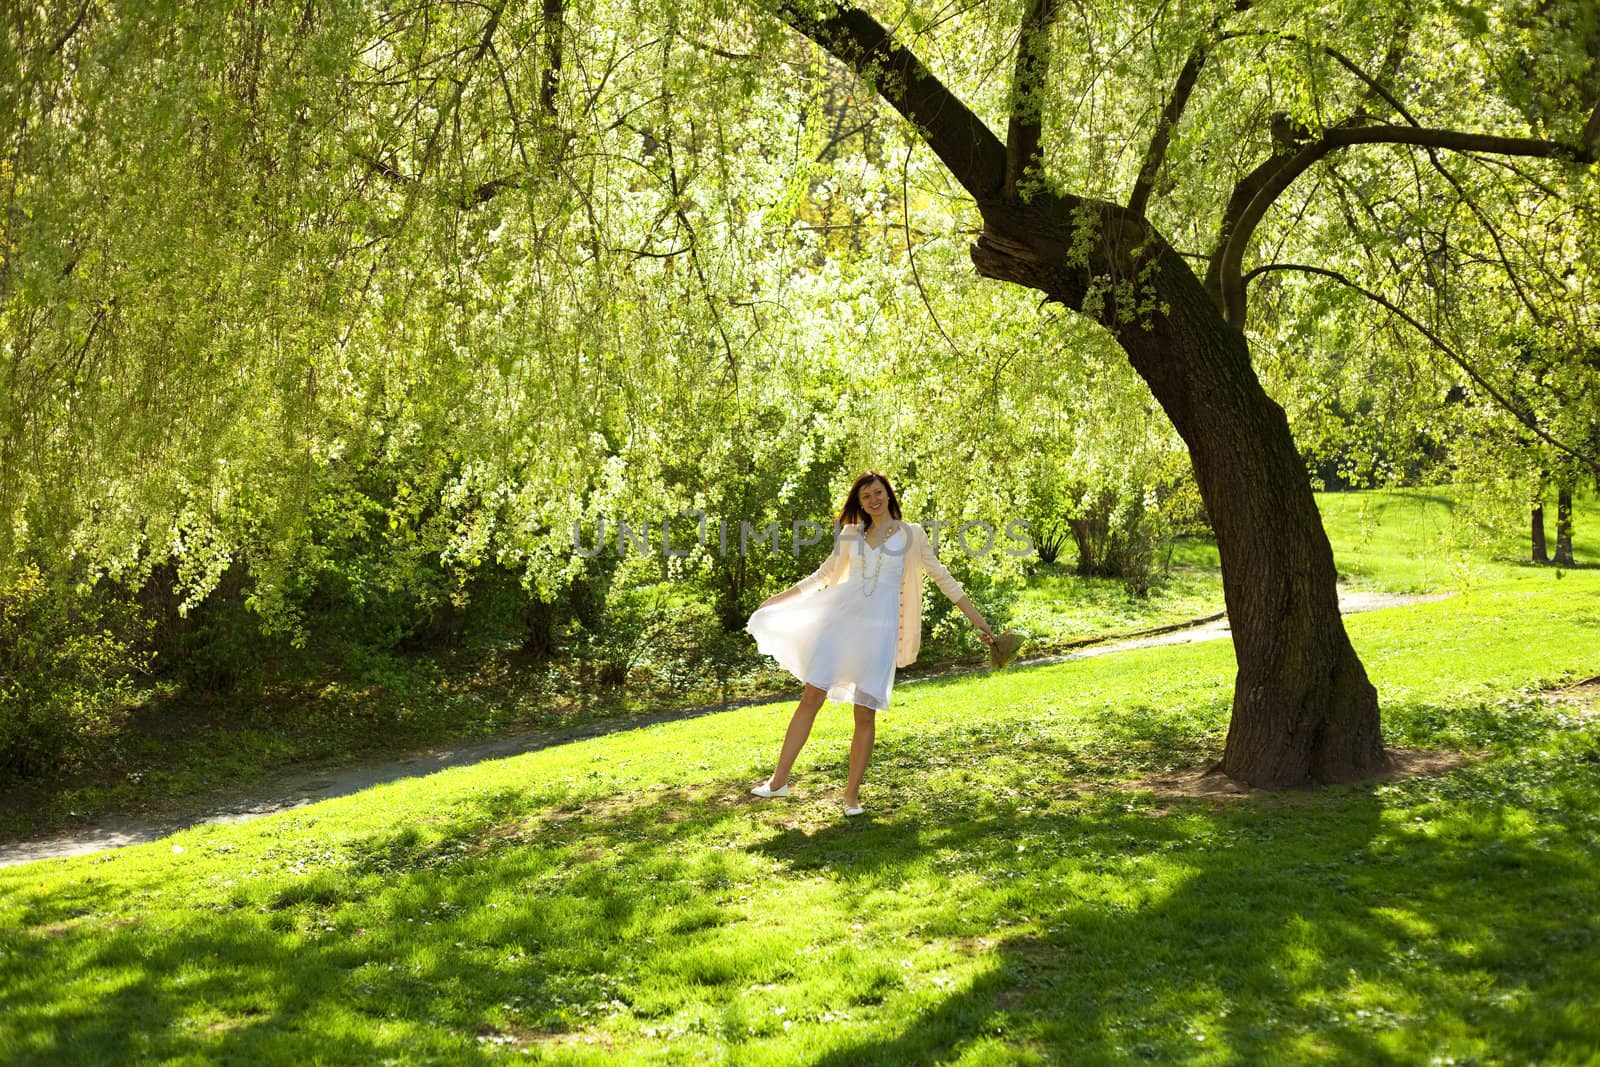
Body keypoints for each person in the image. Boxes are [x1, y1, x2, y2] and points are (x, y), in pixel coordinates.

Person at [745, 471, 993, 816]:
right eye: (865, 497)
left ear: (888, 495)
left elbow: (942, 578)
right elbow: (824, 575)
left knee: (864, 712)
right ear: (859, 503)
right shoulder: (850, 535)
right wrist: (778, 600)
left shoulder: (912, 535)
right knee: (811, 696)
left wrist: (977, 620)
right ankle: (778, 782)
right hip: (840, 623)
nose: (873, 500)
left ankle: (850, 797)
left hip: (879, 632)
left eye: (878, 493)